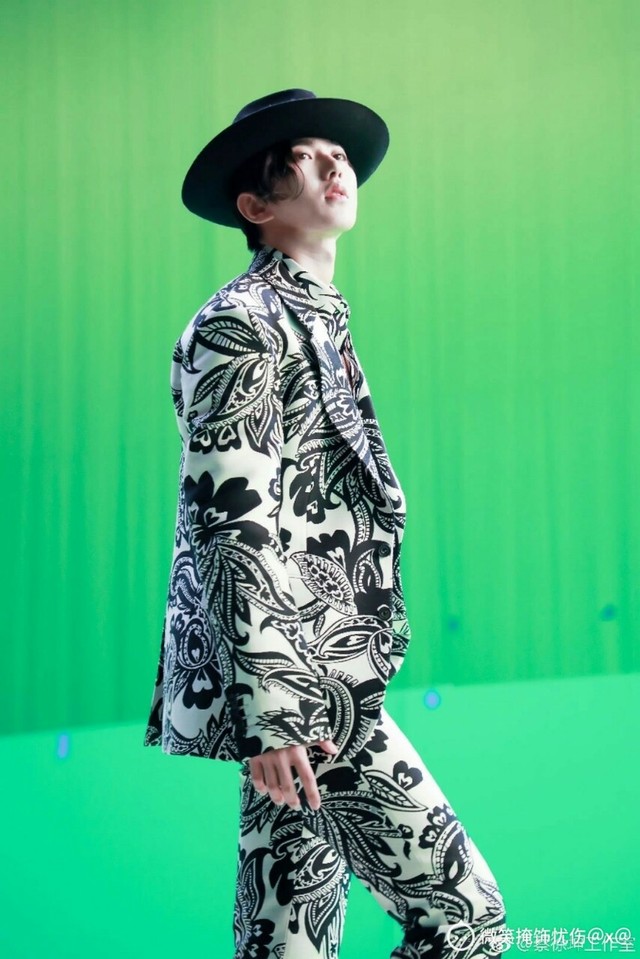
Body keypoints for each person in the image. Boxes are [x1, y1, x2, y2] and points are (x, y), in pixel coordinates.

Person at [144, 88, 507, 959]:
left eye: (338, 155)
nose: (334, 164)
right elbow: (230, 517)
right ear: (256, 206)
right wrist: (273, 711)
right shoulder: (241, 324)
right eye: (302, 158)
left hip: (316, 680)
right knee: (466, 919)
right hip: (307, 694)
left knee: (287, 944)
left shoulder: (315, 317)